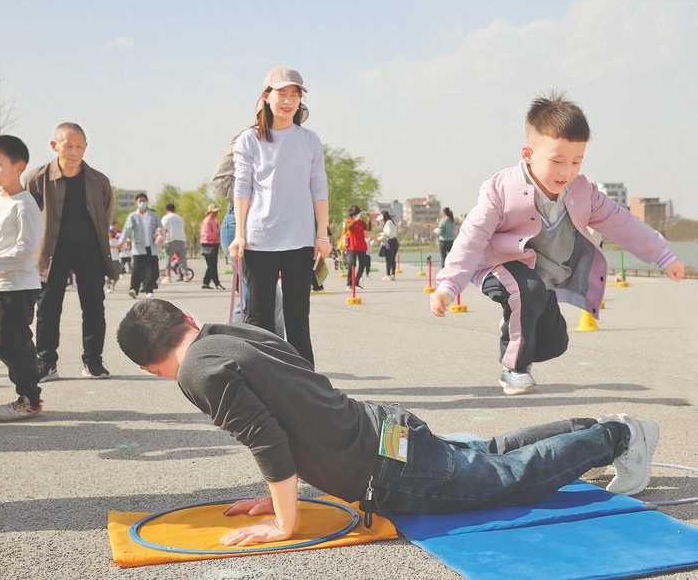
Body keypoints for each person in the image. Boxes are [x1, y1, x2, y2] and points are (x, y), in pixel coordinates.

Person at [117, 298, 659, 546]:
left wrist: (285, 520)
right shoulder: (224, 334)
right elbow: (296, 400)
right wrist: (280, 492)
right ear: (186, 319)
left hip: (387, 467)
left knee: (505, 479)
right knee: (488, 454)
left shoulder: (195, 373)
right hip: (383, 428)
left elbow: (270, 440)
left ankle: (617, 436)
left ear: (149, 367)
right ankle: (600, 424)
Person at [431, 93, 685, 396]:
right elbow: (471, 237)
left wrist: (663, 254)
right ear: (528, 153)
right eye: (557, 161)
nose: (567, 171)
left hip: (540, 275)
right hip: (495, 265)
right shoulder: (501, 189)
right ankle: (513, 369)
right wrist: (448, 286)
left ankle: (516, 323)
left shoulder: (582, 191)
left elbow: (622, 222)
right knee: (526, 291)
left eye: (577, 161)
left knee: (554, 343)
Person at [229, 66, 330, 367]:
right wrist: (240, 234)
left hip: (299, 239)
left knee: (298, 314)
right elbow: (243, 187)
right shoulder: (249, 140)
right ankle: (263, 376)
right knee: (259, 316)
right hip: (260, 239)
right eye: (281, 94)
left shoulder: (309, 140)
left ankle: (305, 378)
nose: (288, 101)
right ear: (266, 96)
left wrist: (322, 234)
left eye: (294, 95)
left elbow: (319, 188)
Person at [24, 122, 115, 381]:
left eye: (79, 147)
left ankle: (93, 361)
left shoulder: (99, 181)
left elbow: (105, 215)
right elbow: (27, 218)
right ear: (54, 146)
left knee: (94, 306)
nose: (74, 152)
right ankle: (46, 362)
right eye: (68, 145)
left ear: (85, 148)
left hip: (90, 252)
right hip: (51, 253)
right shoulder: (36, 178)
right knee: (48, 307)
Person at [0, 135, 44, 419]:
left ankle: (29, 399)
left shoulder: (24, 205)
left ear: (19, 166)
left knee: (10, 342)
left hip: (15, 287)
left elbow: (25, 250)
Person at [122, 193, 163, 298]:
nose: (142, 203)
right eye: (140, 201)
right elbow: (127, 230)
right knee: (136, 269)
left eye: (144, 201)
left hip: (151, 247)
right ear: (136, 202)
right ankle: (134, 290)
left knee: (153, 270)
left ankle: (149, 290)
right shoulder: (133, 216)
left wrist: (159, 233)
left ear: (147, 201)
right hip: (139, 247)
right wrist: (121, 241)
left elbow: (160, 227)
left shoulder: (153, 215)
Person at [200, 204, 224, 290]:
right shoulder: (207, 221)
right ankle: (217, 283)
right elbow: (207, 234)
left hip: (215, 243)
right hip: (208, 244)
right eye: (214, 211)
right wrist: (217, 234)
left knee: (212, 265)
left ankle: (205, 282)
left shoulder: (215, 220)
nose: (216, 213)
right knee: (212, 265)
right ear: (210, 211)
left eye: (217, 211)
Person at [161, 203, 187, 282]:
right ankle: (185, 275)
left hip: (171, 239)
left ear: (166, 210)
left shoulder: (166, 217)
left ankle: (168, 277)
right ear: (174, 209)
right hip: (181, 239)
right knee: (182, 259)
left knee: (168, 258)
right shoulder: (180, 218)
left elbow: (162, 229)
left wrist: (162, 242)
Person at [345, 205, 369, 290]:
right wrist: (355, 220)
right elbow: (349, 228)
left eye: (358, 213)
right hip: (352, 247)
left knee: (362, 264)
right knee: (352, 265)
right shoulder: (349, 221)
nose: (358, 215)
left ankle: (356, 283)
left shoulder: (361, 222)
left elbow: (368, 228)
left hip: (362, 246)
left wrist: (369, 219)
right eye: (356, 213)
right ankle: (349, 284)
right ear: (352, 214)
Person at [378, 211, 399, 281]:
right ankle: (392, 275)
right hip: (394, 241)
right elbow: (392, 232)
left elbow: (388, 233)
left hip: (388, 242)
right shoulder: (391, 222)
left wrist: (381, 235)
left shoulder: (388, 222)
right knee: (392, 259)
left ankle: (388, 275)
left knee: (388, 259)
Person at [106, 224, 122, 293]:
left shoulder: (116, 240)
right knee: (108, 275)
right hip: (109, 259)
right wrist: (114, 247)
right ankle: (108, 287)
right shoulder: (105, 240)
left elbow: (119, 248)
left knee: (117, 276)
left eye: (111, 232)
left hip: (116, 259)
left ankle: (113, 285)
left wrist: (115, 247)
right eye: (109, 232)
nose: (110, 233)